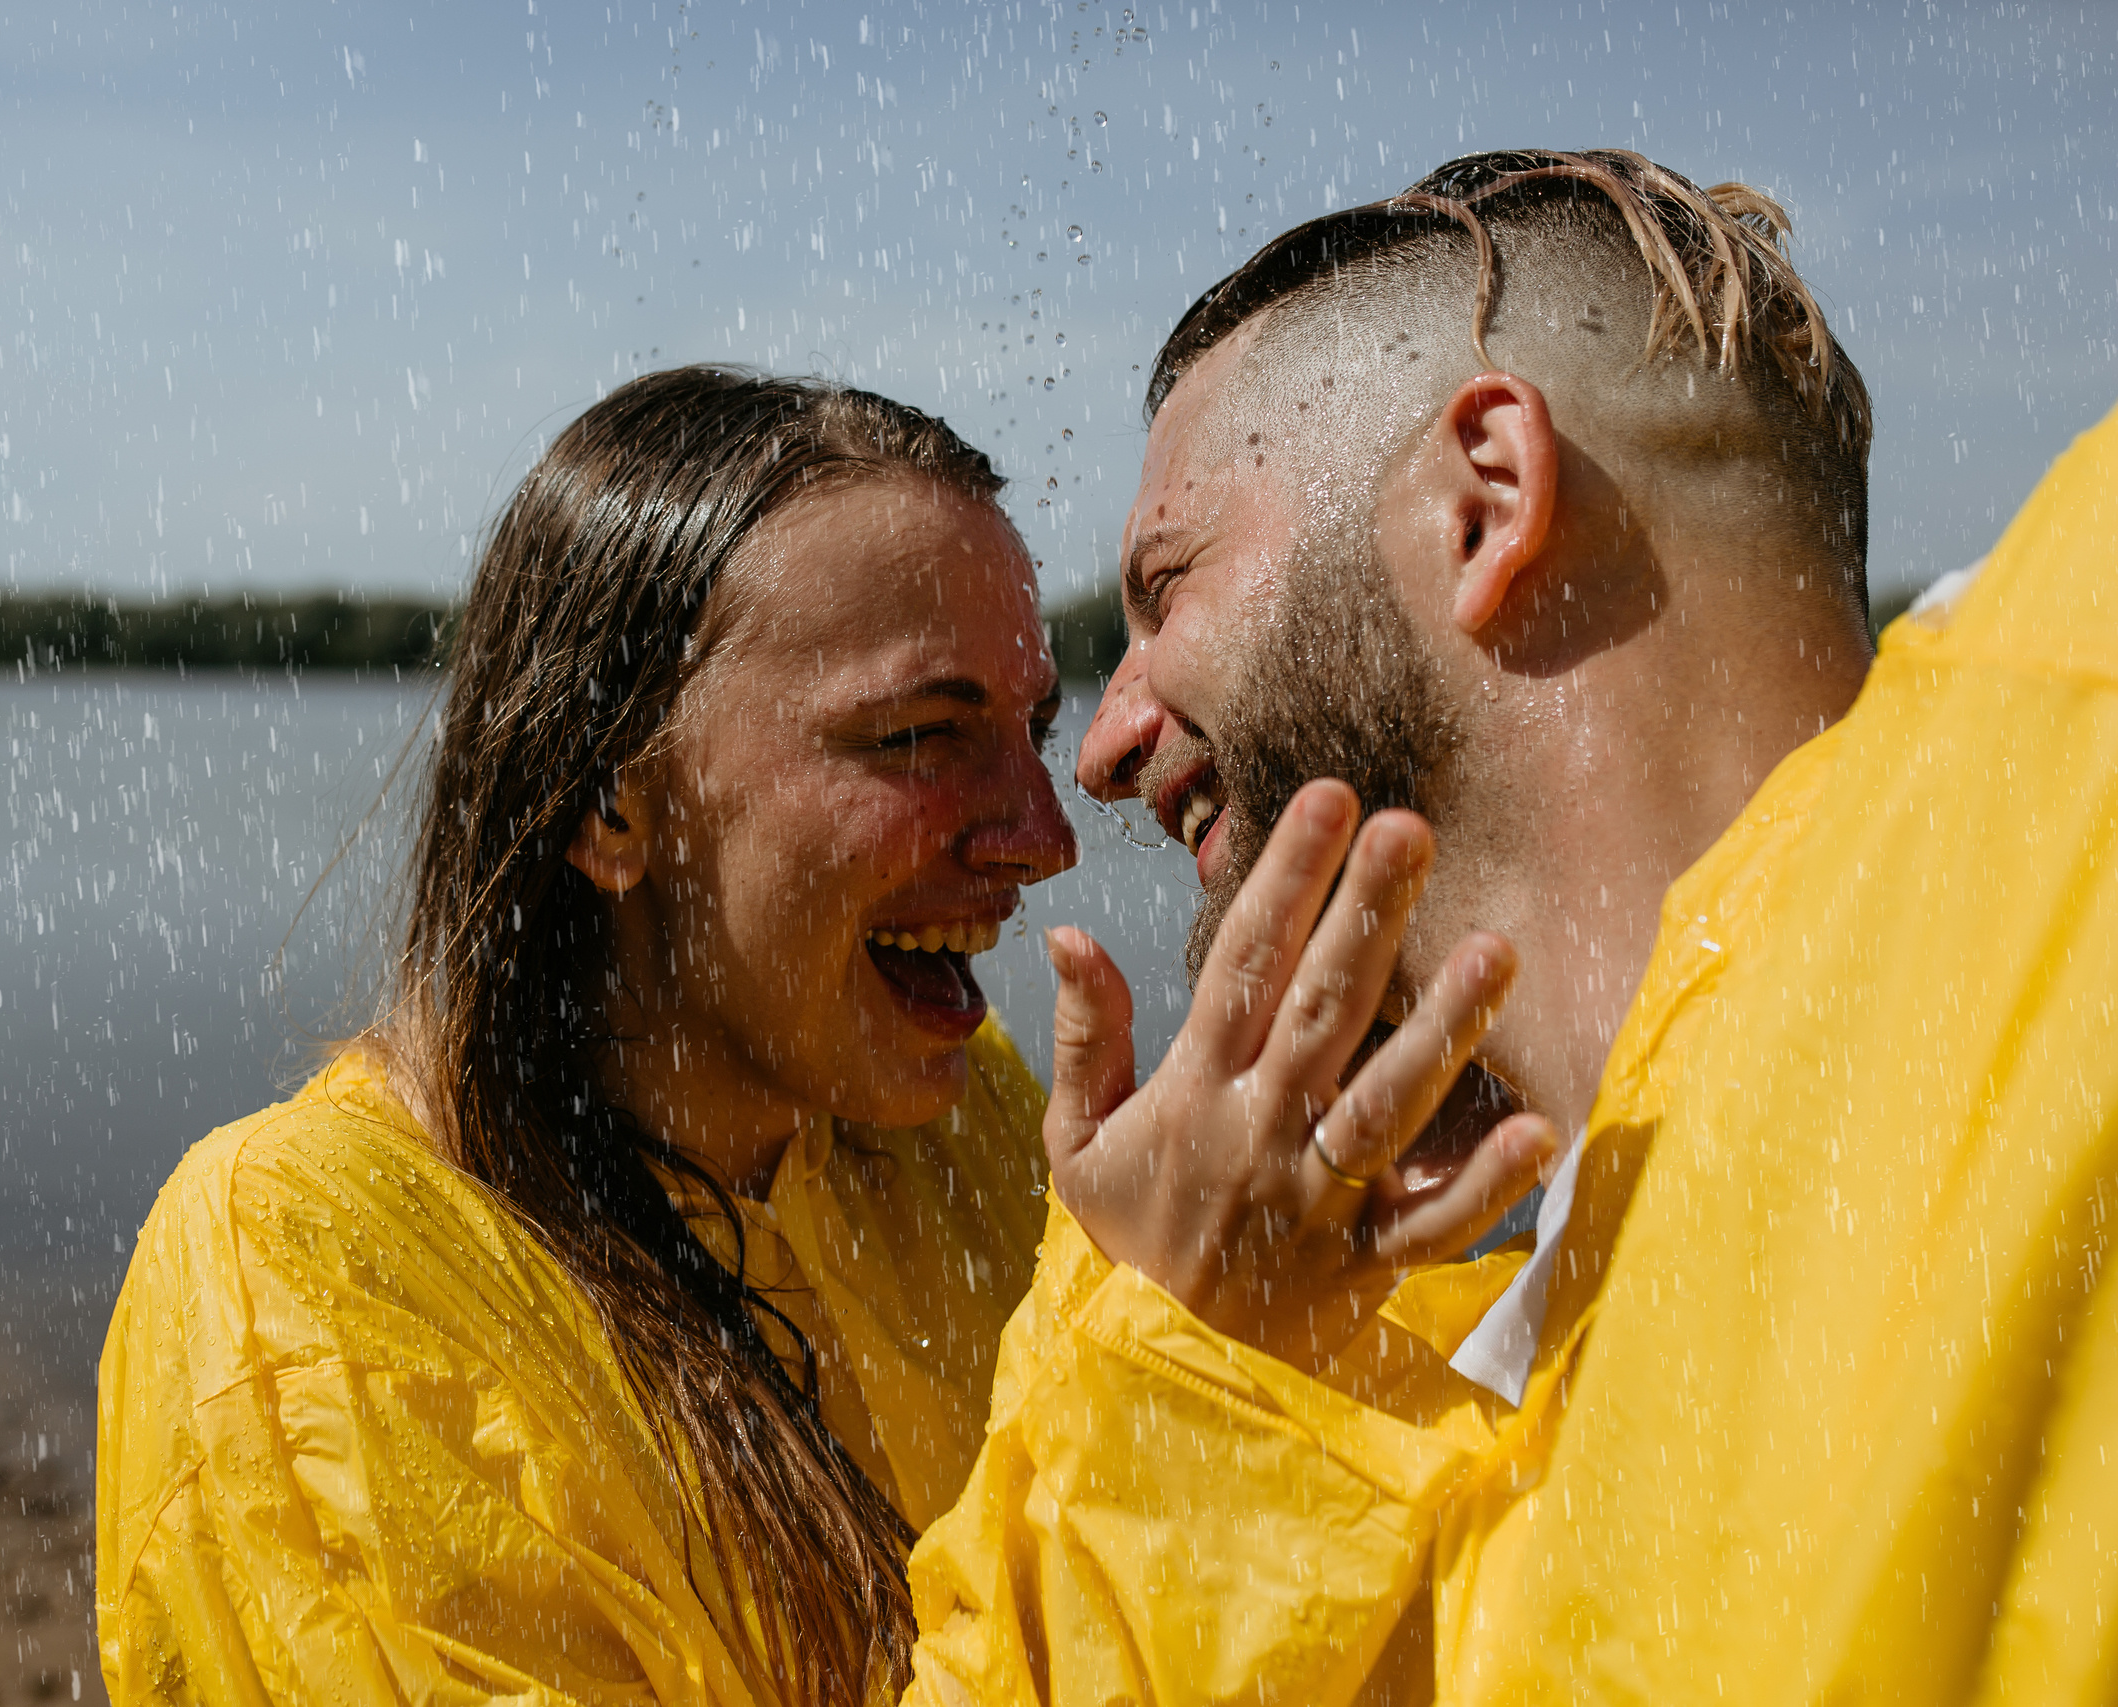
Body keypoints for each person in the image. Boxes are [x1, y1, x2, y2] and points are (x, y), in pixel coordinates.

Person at [96, 365, 1530, 1704]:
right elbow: (1144, 1476)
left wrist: (1390, 1231)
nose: (1042, 839)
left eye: (1034, 729)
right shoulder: (293, 1267)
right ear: (611, 804)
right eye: (919, 736)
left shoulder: (947, 1124)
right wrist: (1198, 1361)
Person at [907, 148, 2118, 1702]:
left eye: (1167, 585)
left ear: (1486, 498)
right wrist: (1198, 1356)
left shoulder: (2061, 842)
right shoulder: (1477, 1370)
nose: (1102, 742)